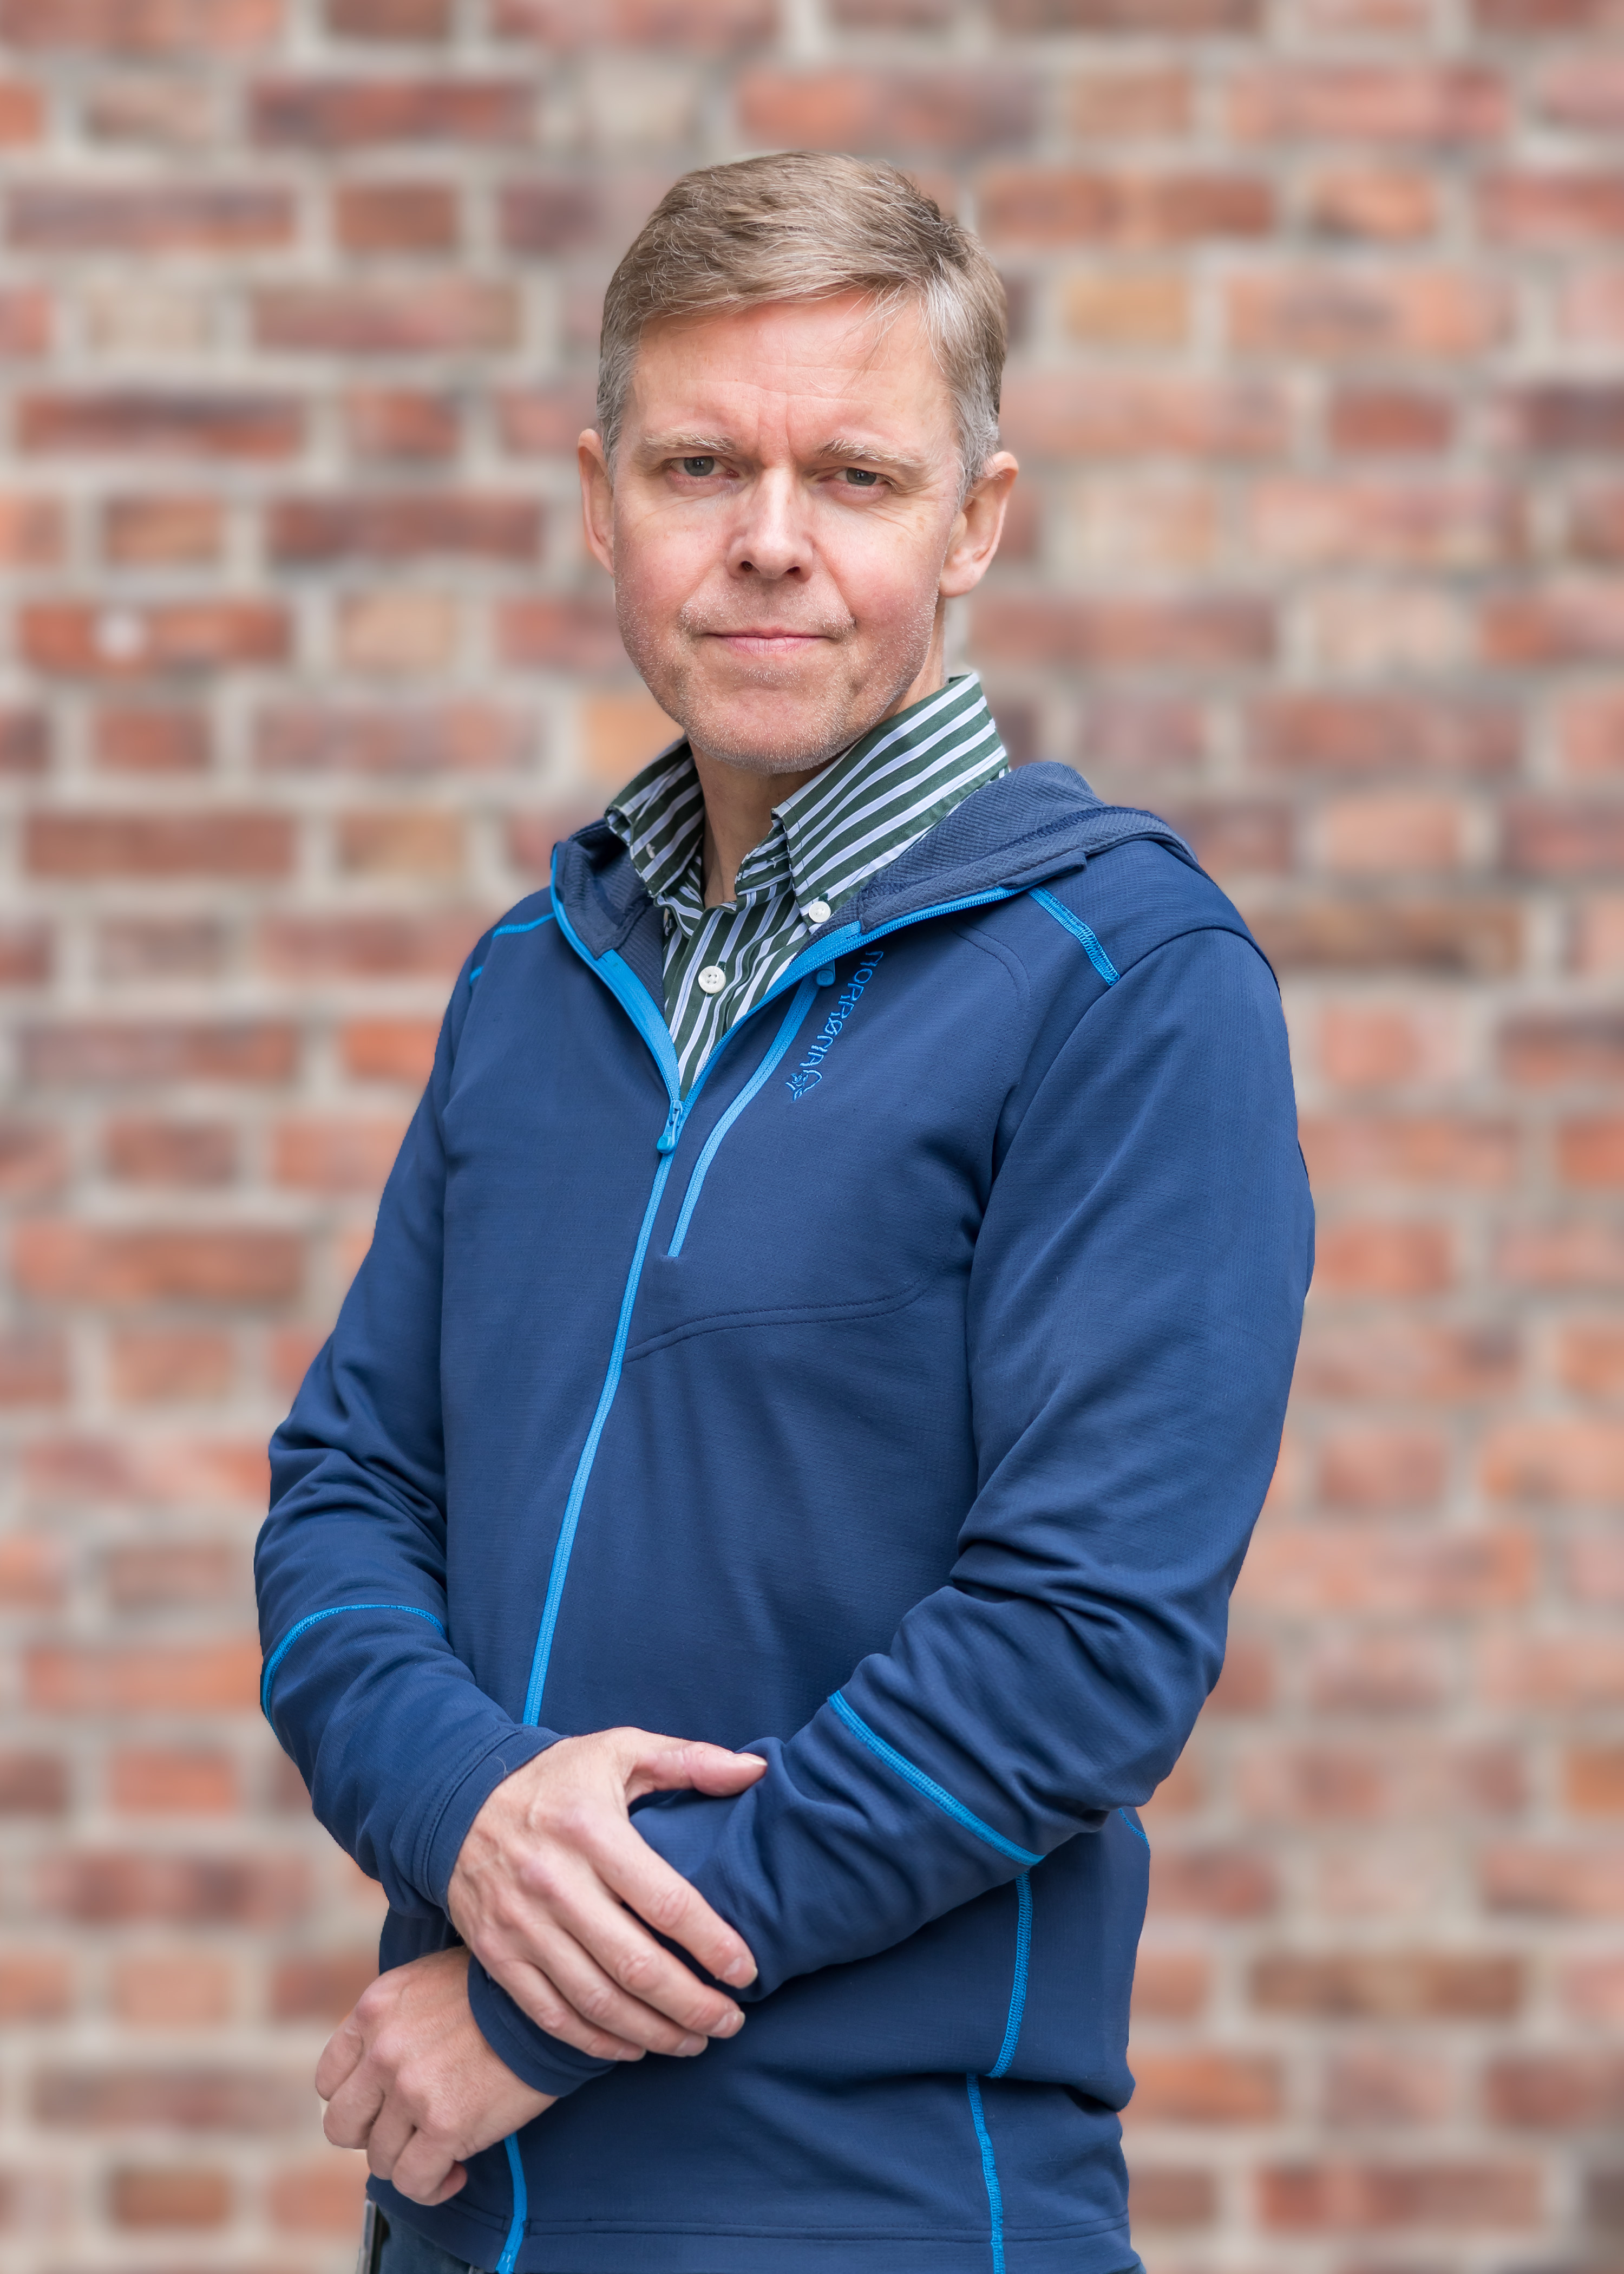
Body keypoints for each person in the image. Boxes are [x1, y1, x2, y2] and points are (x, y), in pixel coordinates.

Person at [256, 152, 1313, 2274]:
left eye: (852, 474)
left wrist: (539, 2005)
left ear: (973, 523)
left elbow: (1081, 1647)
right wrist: (466, 1812)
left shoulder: (1123, 980)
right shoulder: (532, 985)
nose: (768, 538)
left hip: (878, 2213)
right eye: (699, 465)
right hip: (463, 2219)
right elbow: (347, 1501)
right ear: (600, 500)